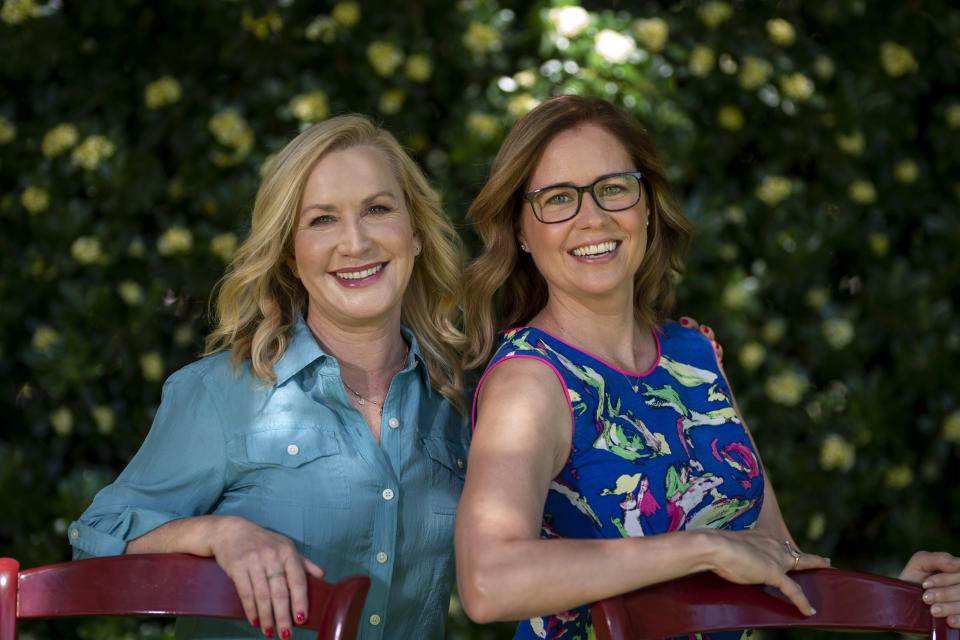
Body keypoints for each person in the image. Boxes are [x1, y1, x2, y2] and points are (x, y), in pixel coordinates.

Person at [455, 95, 960, 639]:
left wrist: (903, 604)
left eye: (614, 188)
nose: (593, 216)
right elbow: (489, 582)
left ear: (646, 205)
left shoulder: (692, 357)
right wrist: (701, 548)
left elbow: (781, 566)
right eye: (557, 199)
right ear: (523, 232)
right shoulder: (530, 382)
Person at [69, 114, 470, 640]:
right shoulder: (219, 394)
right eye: (322, 220)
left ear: (415, 233)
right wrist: (217, 533)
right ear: (289, 254)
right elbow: (91, 542)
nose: (355, 242)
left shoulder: (459, 404)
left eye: (377, 209)